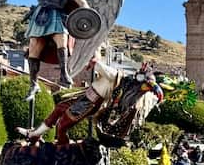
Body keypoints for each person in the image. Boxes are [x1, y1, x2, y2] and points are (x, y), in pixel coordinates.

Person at [17, 58, 163, 145]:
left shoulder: (117, 77)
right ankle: (37, 135)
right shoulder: (122, 81)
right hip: (87, 97)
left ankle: (58, 145)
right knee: (60, 108)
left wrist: (92, 59)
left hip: (89, 103)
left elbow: (97, 63)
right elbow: (97, 64)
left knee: (62, 126)